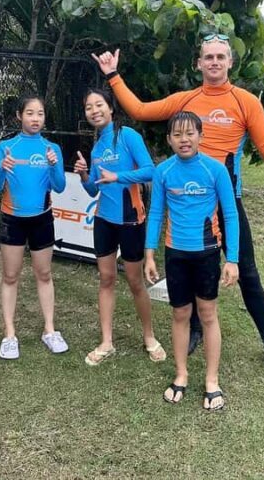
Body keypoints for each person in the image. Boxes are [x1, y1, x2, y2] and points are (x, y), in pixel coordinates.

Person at [93, 40, 264, 383]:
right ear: (198, 63)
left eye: (221, 56)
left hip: (226, 205)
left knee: (249, 275)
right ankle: (193, 332)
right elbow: (141, 110)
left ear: (230, 62)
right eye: (208, 56)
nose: (214, 61)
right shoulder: (187, 100)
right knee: (192, 269)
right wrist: (113, 75)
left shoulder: (245, 101)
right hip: (187, 207)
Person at [144, 111, 239, 411]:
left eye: (190, 133)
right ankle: (181, 374)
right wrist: (149, 253)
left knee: (208, 315)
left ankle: (212, 380)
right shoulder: (163, 171)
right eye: (177, 134)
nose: (184, 139)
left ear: (200, 135)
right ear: (169, 139)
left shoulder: (214, 170)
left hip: (208, 253)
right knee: (180, 315)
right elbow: (156, 213)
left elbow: (231, 214)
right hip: (176, 254)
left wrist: (232, 259)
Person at [73, 88, 165, 366]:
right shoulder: (97, 146)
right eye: (89, 107)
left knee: (135, 281)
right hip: (104, 220)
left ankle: (149, 336)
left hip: (130, 218)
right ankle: (106, 342)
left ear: (111, 108)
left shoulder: (128, 136)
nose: (94, 110)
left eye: (99, 104)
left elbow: (151, 171)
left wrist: (119, 176)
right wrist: (84, 174)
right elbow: (92, 191)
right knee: (106, 279)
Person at [0, 95, 69, 360]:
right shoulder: (6, 147)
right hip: (12, 218)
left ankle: (50, 330)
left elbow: (59, 187)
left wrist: (55, 166)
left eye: (40, 114)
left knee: (44, 274)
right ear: (19, 116)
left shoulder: (51, 148)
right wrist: (1, 168)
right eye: (30, 113)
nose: (35, 119)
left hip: (42, 218)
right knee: (10, 276)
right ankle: (9, 335)